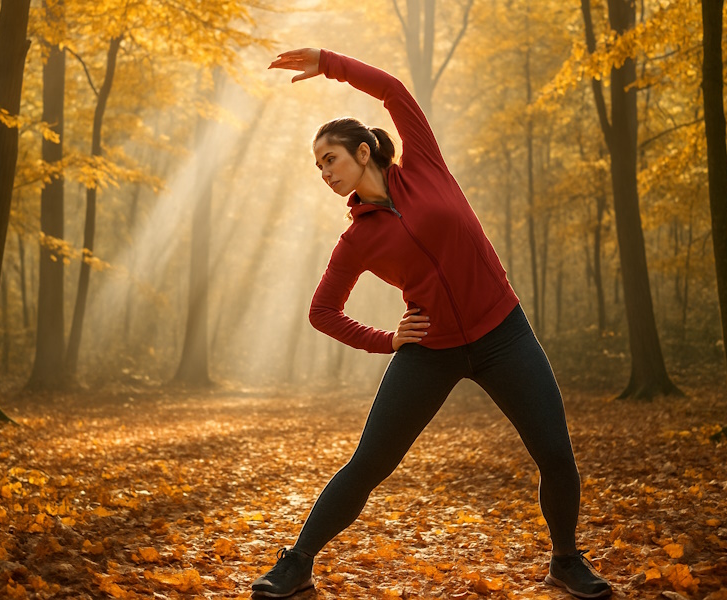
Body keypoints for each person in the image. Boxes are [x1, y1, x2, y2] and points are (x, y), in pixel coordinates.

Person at [251, 47, 611, 600]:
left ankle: (565, 560)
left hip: (504, 333)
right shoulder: (356, 240)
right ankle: (297, 562)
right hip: (431, 350)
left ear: (363, 150)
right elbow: (321, 313)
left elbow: (393, 90)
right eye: (317, 165)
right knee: (369, 463)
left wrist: (328, 61)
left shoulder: (424, 165)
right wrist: (387, 340)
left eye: (330, 158)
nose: (323, 172)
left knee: (555, 454)